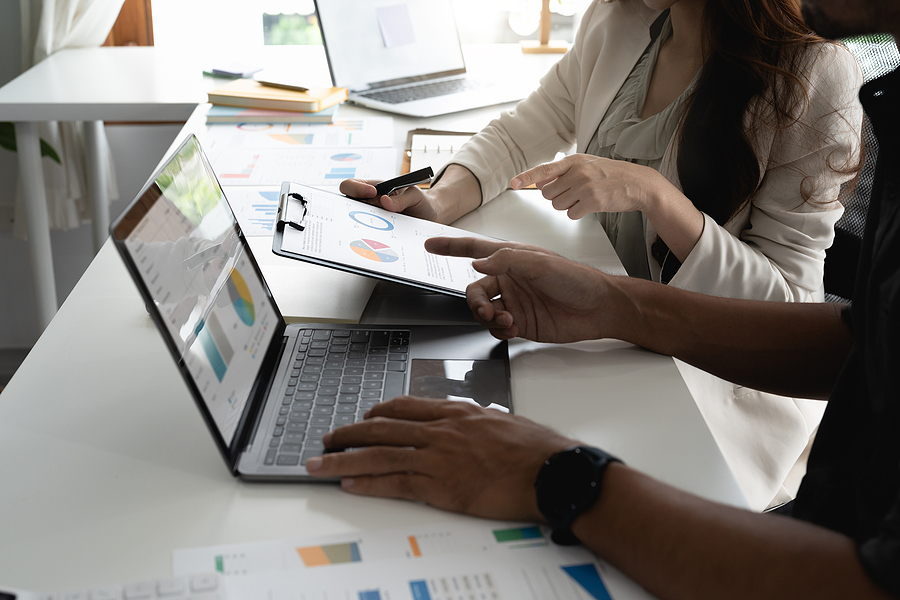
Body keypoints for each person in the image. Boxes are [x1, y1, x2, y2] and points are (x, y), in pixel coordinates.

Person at [305, 0, 900, 595]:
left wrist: (661, 201)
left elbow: (793, 309)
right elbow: (519, 133)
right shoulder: (621, 19)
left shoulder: (813, 74)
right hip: (610, 337)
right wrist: (436, 202)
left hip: (715, 385)